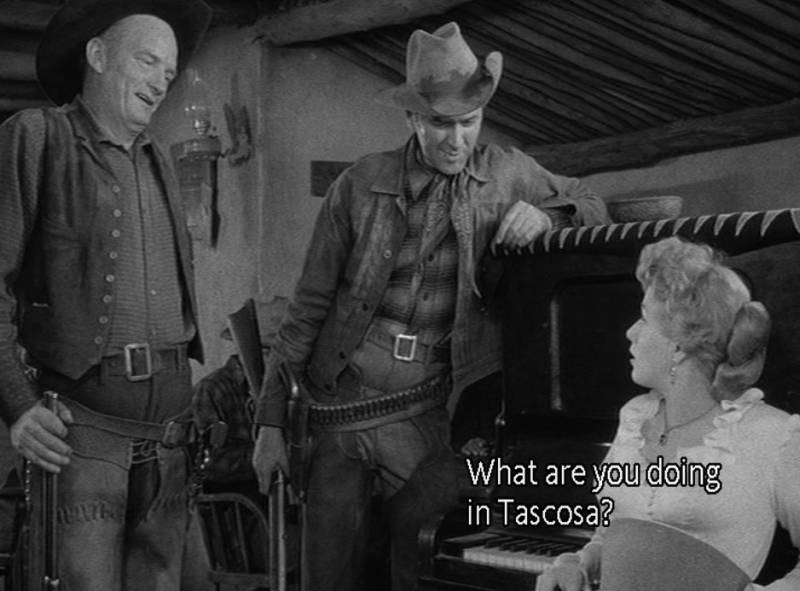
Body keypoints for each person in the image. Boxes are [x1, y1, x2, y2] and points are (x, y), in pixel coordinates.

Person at [251, 21, 609, 591]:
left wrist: (549, 215)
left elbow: (591, 202)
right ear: (413, 118)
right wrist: (270, 422)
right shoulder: (360, 184)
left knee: (420, 564)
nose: (456, 140)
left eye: (469, 122)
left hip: (428, 410)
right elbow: (308, 307)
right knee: (328, 576)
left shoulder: (509, 172)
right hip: (340, 403)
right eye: (441, 124)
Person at [0, 0, 211, 589]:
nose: (160, 82)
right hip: (82, 434)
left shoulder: (159, 158)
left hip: (170, 436)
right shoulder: (36, 136)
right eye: (147, 61)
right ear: (96, 54)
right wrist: (17, 403)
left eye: (169, 72)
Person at [536, 237, 800, 591]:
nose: (630, 332)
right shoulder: (634, 418)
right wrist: (577, 564)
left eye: (644, 318)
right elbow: (614, 535)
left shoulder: (773, 434)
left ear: (680, 343)